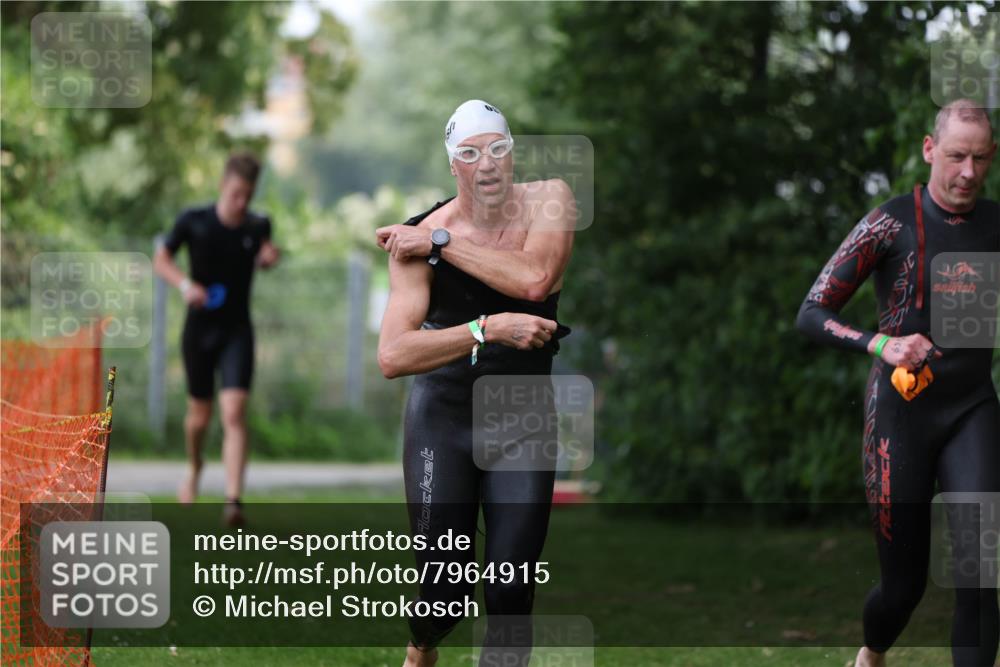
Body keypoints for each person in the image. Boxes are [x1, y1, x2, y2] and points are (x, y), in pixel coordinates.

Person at [796, 99, 999, 667]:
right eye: (957, 156)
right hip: (901, 416)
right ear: (930, 150)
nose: (967, 172)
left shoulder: (995, 225)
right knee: (903, 589)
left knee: (981, 574)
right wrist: (879, 343)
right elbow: (811, 312)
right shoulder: (889, 222)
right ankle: (872, 652)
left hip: (972, 408)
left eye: (980, 159)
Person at [376, 100, 576, 667]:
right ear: (452, 167)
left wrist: (441, 247)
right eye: (469, 153)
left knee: (512, 591)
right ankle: (421, 650)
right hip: (444, 418)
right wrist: (485, 329)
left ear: (512, 154)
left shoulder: (550, 198)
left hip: (522, 416)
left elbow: (535, 279)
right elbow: (393, 355)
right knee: (442, 598)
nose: (486, 163)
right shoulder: (417, 236)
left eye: (497, 148)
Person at [153, 152, 279, 526]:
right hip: (199, 330)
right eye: (237, 193)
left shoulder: (258, 226)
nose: (243, 202)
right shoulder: (194, 221)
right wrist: (186, 285)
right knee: (199, 417)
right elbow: (160, 259)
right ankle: (194, 466)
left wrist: (271, 257)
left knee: (235, 412)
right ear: (224, 185)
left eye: (249, 195)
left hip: (237, 329)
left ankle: (232, 501)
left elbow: (264, 255)